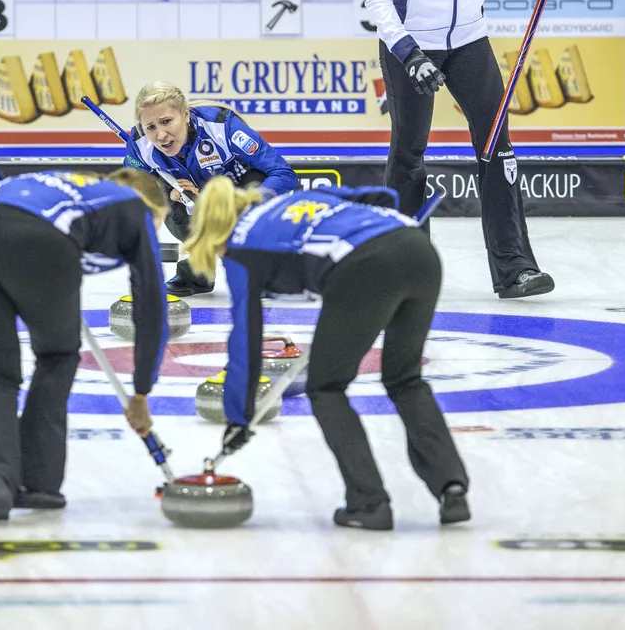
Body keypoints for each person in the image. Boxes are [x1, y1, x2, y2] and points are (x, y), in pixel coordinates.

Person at [183, 177, 470, 531]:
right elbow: (381, 195)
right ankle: (451, 487)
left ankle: (369, 504)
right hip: (416, 248)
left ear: (215, 233)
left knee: (326, 388)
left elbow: (245, 336)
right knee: (404, 378)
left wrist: (239, 417)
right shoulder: (294, 199)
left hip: (363, 265)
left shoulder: (241, 245)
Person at [364, 0, 566, 299]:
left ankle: (514, 267)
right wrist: (410, 53)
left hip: (470, 41)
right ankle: (406, 266)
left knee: (498, 147)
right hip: (412, 44)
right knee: (410, 154)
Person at [0, 167, 170, 521]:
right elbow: (152, 301)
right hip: (42, 242)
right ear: (153, 209)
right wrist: (141, 391)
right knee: (57, 355)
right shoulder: (134, 206)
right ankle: (38, 483)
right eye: (159, 225)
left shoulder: (69, 186)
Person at [123, 81, 298, 297]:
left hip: (238, 196)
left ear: (186, 114)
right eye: (150, 127)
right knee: (168, 200)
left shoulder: (223, 126)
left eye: (166, 121)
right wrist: (169, 193)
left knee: (257, 183)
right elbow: (137, 195)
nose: (160, 135)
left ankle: (262, 269)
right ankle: (198, 274)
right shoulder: (139, 145)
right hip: (193, 203)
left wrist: (239, 204)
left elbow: (284, 174)